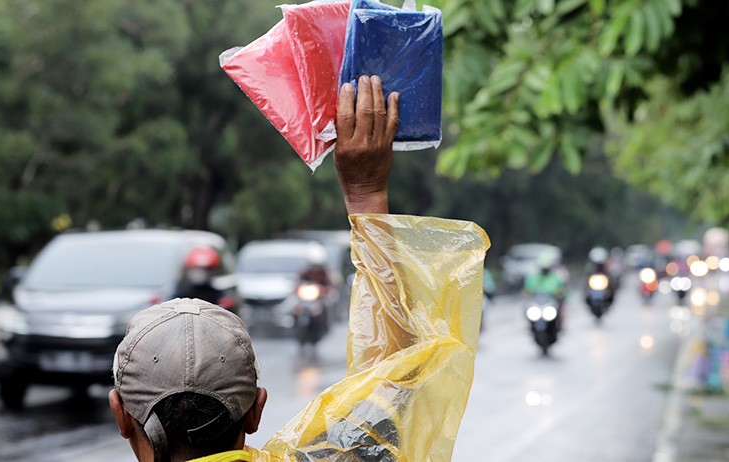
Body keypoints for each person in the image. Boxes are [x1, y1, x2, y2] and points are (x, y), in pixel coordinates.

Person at [109, 76, 489, 461]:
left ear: (120, 416)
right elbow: (400, 380)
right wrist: (366, 192)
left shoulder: (313, 272)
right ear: (256, 411)